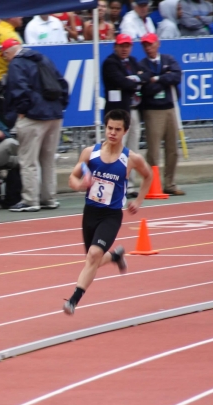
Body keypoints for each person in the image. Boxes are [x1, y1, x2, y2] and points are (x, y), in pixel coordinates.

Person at [63, 109, 152, 315]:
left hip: (111, 215)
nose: (112, 133)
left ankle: (73, 301)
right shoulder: (90, 153)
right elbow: (72, 179)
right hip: (90, 212)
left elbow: (148, 176)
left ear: (125, 131)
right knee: (92, 260)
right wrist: (81, 184)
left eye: (117, 129)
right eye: (109, 128)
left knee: (94, 255)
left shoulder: (131, 158)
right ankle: (114, 257)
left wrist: (139, 201)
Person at [3, 38, 69, 212]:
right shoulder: (43, 58)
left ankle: (30, 200)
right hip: (54, 114)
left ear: (8, 52)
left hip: (34, 116)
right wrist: (60, 106)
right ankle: (49, 198)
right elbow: (63, 83)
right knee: (48, 160)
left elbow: (19, 89)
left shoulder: (16, 63)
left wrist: (23, 110)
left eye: (5, 56)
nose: (6, 60)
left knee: (28, 160)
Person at [138, 33, 184, 195]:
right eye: (145, 45)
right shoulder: (142, 65)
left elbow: (177, 76)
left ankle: (169, 183)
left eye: (150, 44)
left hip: (170, 108)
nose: (148, 48)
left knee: (173, 149)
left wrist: (157, 79)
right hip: (152, 110)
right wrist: (165, 80)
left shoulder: (168, 59)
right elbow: (147, 89)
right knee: (153, 150)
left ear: (157, 44)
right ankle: (152, 184)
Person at [102, 34, 147, 168]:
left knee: (132, 149)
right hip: (118, 112)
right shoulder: (110, 62)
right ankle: (112, 180)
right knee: (116, 147)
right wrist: (136, 80)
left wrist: (134, 79)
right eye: (121, 46)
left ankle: (130, 184)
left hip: (133, 109)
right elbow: (121, 82)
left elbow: (145, 75)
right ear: (115, 47)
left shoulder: (132, 61)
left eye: (127, 46)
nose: (124, 49)